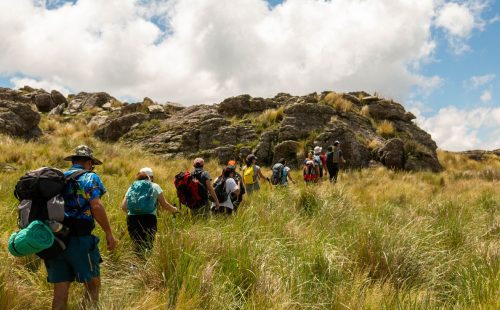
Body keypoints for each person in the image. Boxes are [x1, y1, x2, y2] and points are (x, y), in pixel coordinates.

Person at [44, 145, 117, 310]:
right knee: (93, 285)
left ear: (73, 160)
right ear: (90, 162)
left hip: (56, 238)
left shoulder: (58, 178)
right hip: (80, 239)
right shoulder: (90, 177)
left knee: (60, 292)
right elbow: (96, 206)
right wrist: (109, 233)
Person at [121, 167, 178, 254]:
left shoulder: (131, 187)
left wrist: (134, 211)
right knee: (148, 245)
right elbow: (164, 204)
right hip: (149, 218)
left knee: (137, 245)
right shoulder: (155, 186)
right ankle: (146, 265)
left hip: (132, 219)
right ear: (150, 177)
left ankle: (135, 265)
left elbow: (123, 206)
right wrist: (174, 210)